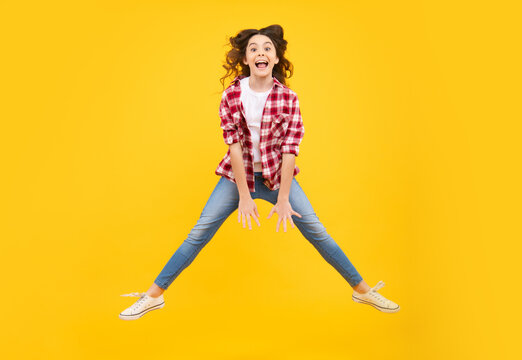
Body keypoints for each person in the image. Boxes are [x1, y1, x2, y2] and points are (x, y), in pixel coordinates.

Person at [119, 24, 400, 320]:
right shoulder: (231, 96)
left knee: (317, 230)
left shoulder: (289, 99)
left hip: (278, 178)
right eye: (253, 48)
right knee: (199, 232)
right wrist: (243, 195)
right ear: (246, 59)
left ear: (276, 59)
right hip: (237, 178)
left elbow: (290, 150)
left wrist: (283, 198)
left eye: (267, 48)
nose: (261, 52)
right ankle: (152, 297)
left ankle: (363, 291)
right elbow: (235, 146)